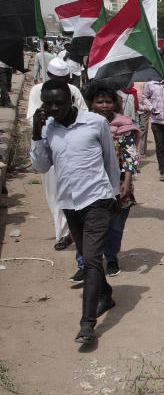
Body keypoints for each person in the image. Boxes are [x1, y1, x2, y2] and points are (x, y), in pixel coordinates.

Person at [30, 80, 120, 344]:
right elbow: (41, 166)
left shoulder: (95, 123)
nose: (54, 108)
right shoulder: (47, 128)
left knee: (91, 259)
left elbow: (109, 161)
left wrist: (115, 194)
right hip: (70, 202)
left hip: (98, 198)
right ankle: (105, 294)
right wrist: (36, 135)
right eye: (48, 104)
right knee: (88, 255)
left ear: (71, 100)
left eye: (59, 102)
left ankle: (87, 323)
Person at [25, 56, 87, 255]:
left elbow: (83, 113)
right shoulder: (38, 91)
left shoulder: (74, 91)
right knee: (54, 192)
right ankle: (62, 232)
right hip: (49, 145)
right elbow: (32, 118)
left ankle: (76, 232)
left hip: (72, 147)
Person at [83, 84, 140, 277]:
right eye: (100, 102)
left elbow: (130, 155)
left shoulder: (124, 126)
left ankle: (112, 257)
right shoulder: (82, 125)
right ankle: (85, 264)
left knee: (115, 225)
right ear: (91, 104)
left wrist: (126, 181)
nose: (105, 105)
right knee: (88, 225)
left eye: (108, 101)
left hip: (118, 184)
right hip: (90, 183)